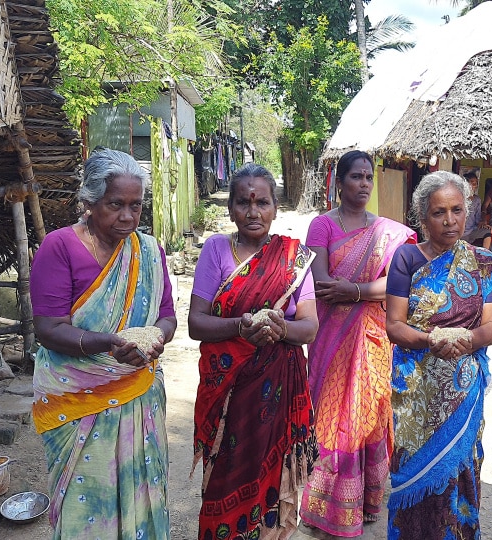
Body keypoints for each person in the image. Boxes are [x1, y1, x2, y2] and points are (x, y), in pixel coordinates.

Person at [30, 149, 178, 539]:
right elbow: (48, 328)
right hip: (76, 395)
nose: (127, 216)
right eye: (116, 205)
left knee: (143, 496)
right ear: (90, 202)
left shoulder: (148, 251)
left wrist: (155, 339)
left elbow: (167, 316)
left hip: (138, 390)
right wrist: (107, 344)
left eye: (136, 206)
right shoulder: (60, 247)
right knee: (86, 505)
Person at [188, 163, 319, 540]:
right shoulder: (216, 250)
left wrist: (281, 329)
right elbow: (197, 323)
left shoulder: (295, 258)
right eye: (243, 203)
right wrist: (239, 326)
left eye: (262, 202)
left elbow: (308, 327)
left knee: (273, 476)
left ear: (275, 208)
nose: (253, 211)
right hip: (230, 393)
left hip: (278, 394)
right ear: (230, 209)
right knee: (226, 476)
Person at [299, 150, 416, 537]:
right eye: (356, 177)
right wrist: (363, 291)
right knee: (334, 419)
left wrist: (356, 290)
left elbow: (400, 284)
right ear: (340, 182)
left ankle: (366, 499)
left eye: (368, 177)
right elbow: (321, 283)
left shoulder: (388, 232)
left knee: (369, 414)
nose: (364, 184)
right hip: (332, 338)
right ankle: (326, 503)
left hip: (373, 337)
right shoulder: (322, 226)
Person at [385, 171, 492, 539]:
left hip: (462, 391)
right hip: (416, 389)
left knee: (460, 470)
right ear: (423, 218)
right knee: (414, 470)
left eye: (457, 210)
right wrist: (431, 340)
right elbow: (395, 325)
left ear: (467, 212)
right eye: (439, 212)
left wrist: (465, 341)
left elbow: (491, 328)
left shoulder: (482, 262)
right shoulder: (406, 260)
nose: (450, 220)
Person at [462, 168, 492, 249]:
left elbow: (477, 218)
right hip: (458, 233)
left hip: (471, 231)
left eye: (475, 184)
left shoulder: (477, 200)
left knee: (487, 232)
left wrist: (482, 223)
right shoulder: (459, 198)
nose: (472, 186)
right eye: (471, 183)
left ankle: (485, 256)